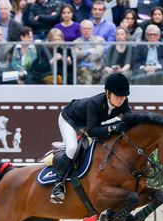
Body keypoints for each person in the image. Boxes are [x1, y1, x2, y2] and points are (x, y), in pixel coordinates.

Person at [50, 73, 131, 204]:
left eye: (123, 96)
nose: (120, 99)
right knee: (72, 148)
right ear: (107, 93)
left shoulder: (123, 102)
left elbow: (130, 120)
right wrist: (111, 128)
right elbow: (92, 131)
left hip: (89, 123)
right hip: (70, 119)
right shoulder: (95, 103)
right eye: (117, 96)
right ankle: (59, 185)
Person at [72, 19, 105, 84]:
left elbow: (97, 56)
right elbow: (75, 55)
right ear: (80, 30)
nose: (86, 31)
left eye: (88, 29)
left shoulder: (99, 40)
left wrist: (81, 53)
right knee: (85, 72)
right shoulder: (75, 42)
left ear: (92, 30)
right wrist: (88, 51)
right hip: (81, 69)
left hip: (96, 69)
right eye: (84, 29)